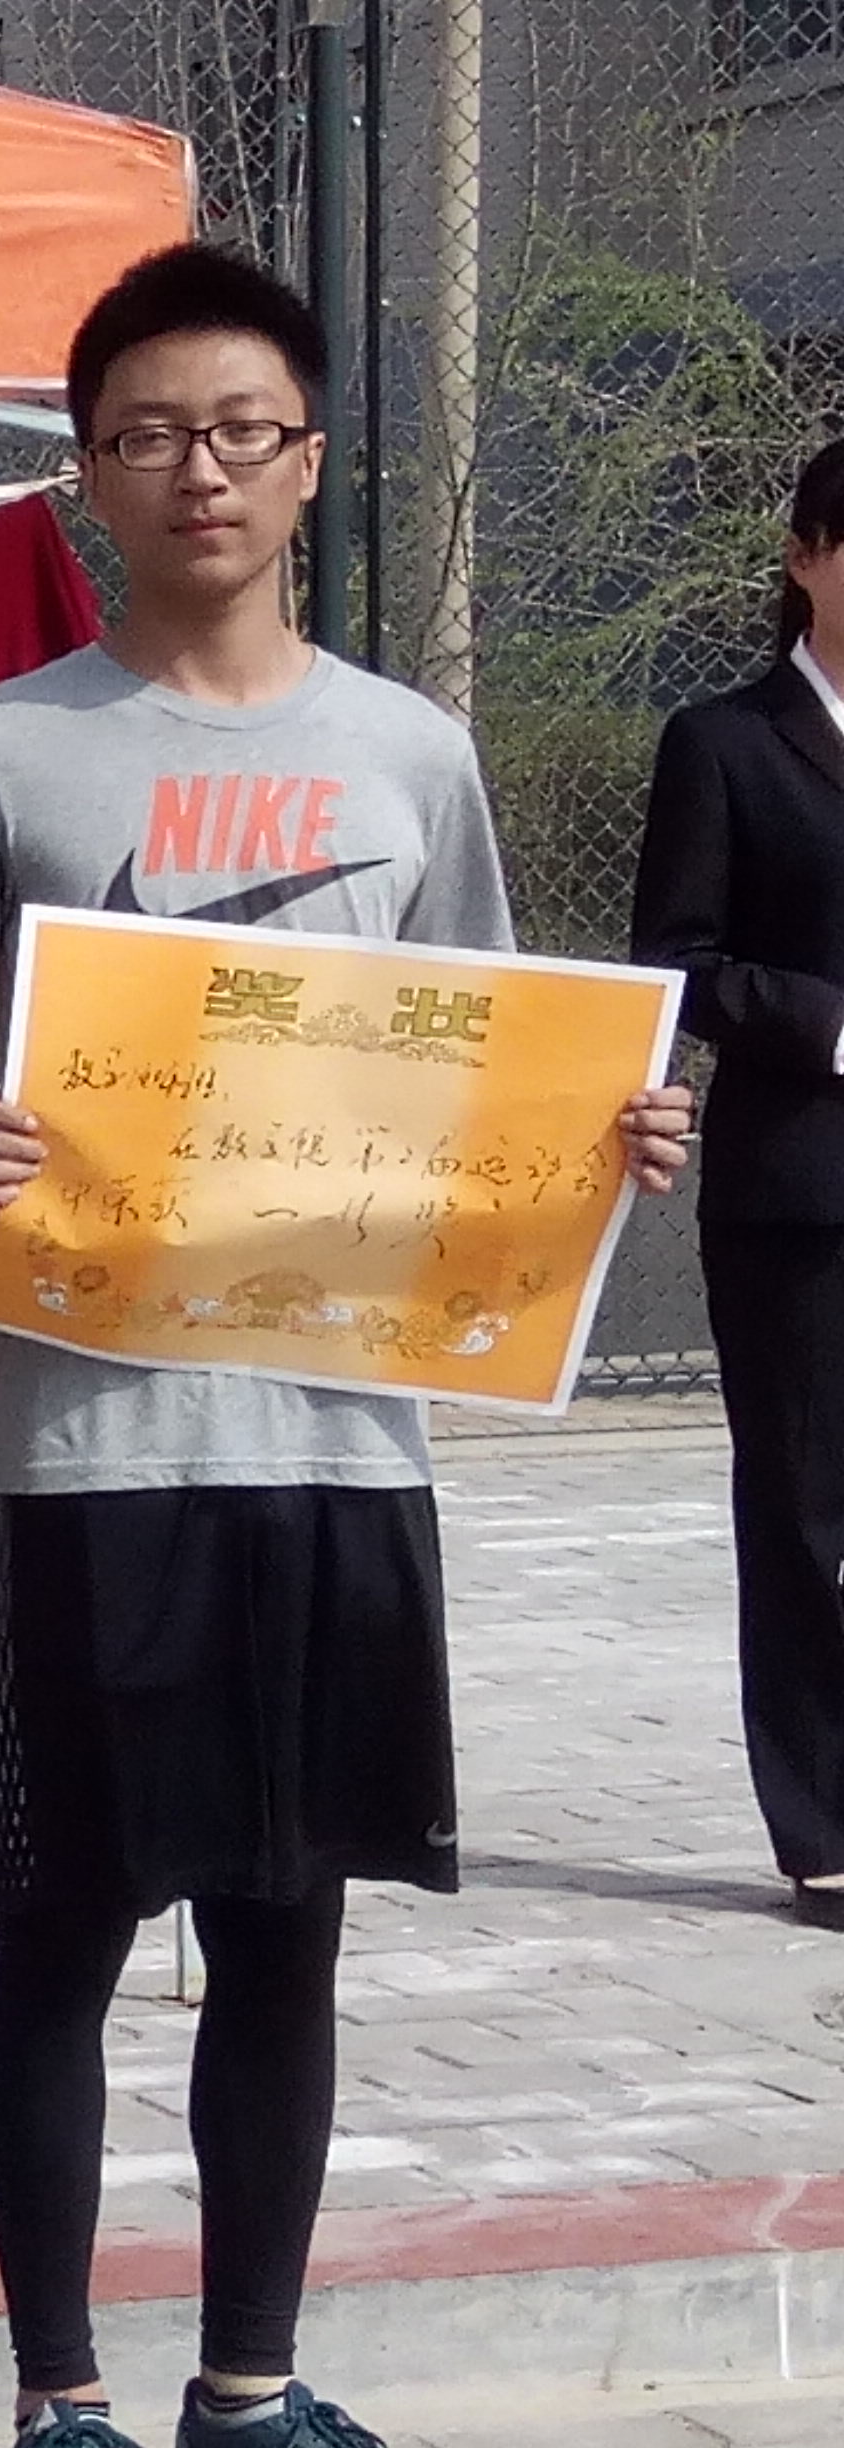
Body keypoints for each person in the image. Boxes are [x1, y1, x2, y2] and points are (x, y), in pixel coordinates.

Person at [0, 244, 693, 2448]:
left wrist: (616, 1136)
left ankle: (247, 2383)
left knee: (284, 1925)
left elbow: (499, 1064)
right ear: (88, 475)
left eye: (240, 430)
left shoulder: (409, 754)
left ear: (310, 460)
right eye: (147, 435)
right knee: (59, 1926)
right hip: (86, 1445)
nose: (199, 471)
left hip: (335, 1446)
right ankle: (58, 2399)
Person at [632, 432, 844, 1929]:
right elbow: (678, 961)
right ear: (805, 558)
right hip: (799, 1187)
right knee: (805, 1508)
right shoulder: (726, 741)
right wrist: (830, 1027)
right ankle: (824, 1825)